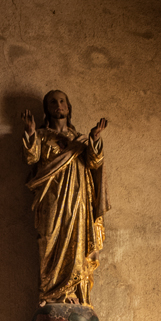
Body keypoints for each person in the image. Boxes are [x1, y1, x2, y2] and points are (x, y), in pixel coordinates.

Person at [21, 91, 109, 306]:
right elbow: (32, 158)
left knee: (77, 242)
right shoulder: (42, 136)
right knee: (49, 240)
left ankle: (75, 294)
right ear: (47, 109)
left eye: (62, 101)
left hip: (78, 200)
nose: (58, 105)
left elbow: (94, 163)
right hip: (51, 197)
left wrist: (95, 139)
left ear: (68, 107)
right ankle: (51, 294)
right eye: (53, 102)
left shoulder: (80, 140)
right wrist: (30, 132)